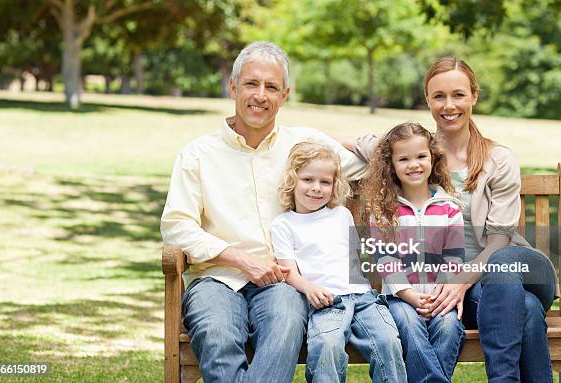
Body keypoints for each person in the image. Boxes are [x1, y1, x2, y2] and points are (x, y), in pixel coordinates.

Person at [160, 41, 367, 383]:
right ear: (233, 88)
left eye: (271, 87)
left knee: (286, 322)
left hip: (282, 281)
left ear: (284, 96)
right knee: (217, 335)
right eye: (251, 84)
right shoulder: (197, 154)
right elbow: (177, 227)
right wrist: (241, 259)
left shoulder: (302, 146)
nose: (260, 95)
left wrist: (339, 139)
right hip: (216, 277)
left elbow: (369, 161)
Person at [351, 57, 557, 383]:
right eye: (439, 96)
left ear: (474, 96)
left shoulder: (497, 159)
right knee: (527, 310)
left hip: (515, 267)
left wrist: (460, 279)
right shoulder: (419, 155)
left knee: (504, 266)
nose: (449, 105)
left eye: (458, 94)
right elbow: (367, 144)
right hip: (472, 293)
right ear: (428, 99)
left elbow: (500, 238)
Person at [270, 141, 406, 383]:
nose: (316, 188)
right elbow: (288, 271)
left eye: (325, 182)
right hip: (326, 302)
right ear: (293, 180)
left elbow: (359, 254)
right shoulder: (284, 224)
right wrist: (308, 288)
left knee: (387, 341)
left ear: (334, 186)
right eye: (308, 180)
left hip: (364, 298)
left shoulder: (341, 214)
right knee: (327, 346)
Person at [361, 122, 466, 382]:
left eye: (421, 156)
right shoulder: (384, 211)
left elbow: (453, 258)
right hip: (399, 298)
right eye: (404, 159)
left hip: (440, 296)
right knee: (408, 324)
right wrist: (410, 296)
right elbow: (385, 261)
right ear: (391, 165)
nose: (414, 164)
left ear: (433, 158)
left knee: (449, 326)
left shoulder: (449, 208)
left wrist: (438, 295)